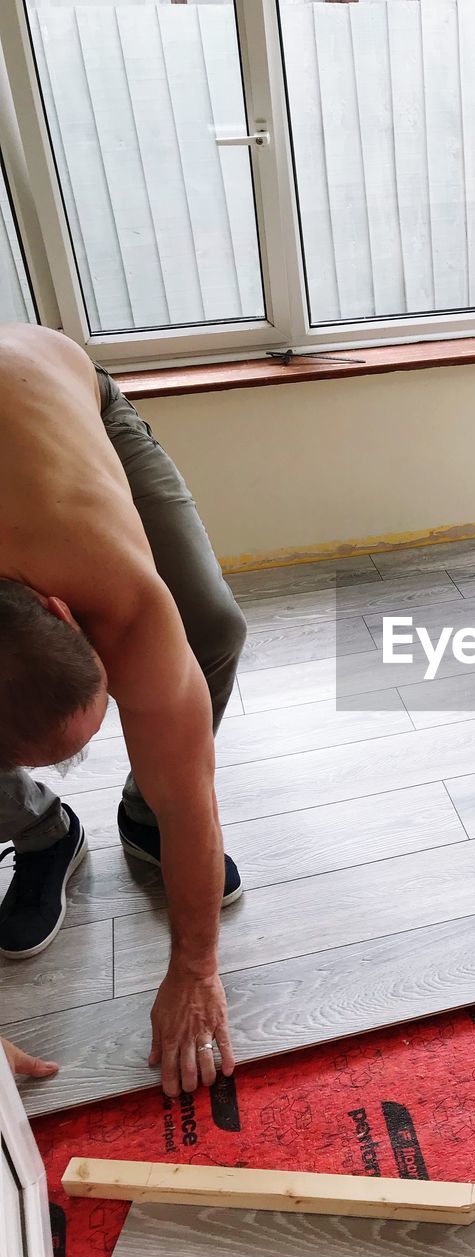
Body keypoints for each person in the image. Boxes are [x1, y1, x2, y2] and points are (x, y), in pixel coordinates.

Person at [0, 323, 246, 1098]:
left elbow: (197, 802)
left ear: (64, 612)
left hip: (61, 392)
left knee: (208, 626)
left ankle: (144, 813)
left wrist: (197, 968)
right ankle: (43, 829)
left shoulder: (116, 589)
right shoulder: (71, 584)